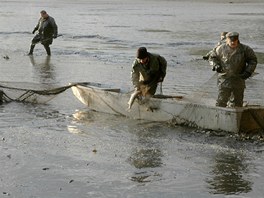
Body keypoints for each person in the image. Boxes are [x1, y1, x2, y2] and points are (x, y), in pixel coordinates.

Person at [209, 32, 257, 107]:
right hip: (224, 79)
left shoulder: (245, 49)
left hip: (239, 78)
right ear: (227, 40)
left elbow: (253, 60)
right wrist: (215, 65)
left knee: (238, 102)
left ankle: (236, 117)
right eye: (231, 41)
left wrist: (248, 72)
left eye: (234, 41)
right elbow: (212, 57)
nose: (233, 42)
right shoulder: (220, 48)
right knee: (221, 101)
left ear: (237, 40)